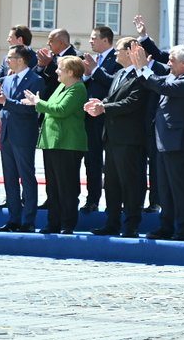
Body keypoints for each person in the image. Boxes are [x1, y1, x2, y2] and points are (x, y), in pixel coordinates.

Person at [130, 43, 184, 241]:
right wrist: (140, 68)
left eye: (172, 60)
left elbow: (162, 85)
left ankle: (183, 229)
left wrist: (143, 68)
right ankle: (166, 226)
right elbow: (152, 82)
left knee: (179, 188)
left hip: (180, 143)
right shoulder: (176, 76)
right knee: (165, 188)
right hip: (165, 141)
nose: (168, 63)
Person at [82, 37, 149, 237]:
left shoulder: (141, 75)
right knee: (111, 183)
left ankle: (130, 225)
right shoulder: (119, 73)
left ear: (130, 51)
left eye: (119, 50)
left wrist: (104, 107)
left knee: (131, 183)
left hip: (130, 139)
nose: (115, 53)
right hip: (112, 138)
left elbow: (132, 102)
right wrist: (99, 102)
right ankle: (112, 223)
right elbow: (113, 98)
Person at [22, 55, 88, 234]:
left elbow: (60, 110)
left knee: (67, 186)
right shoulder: (62, 86)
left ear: (71, 72)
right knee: (53, 187)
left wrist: (38, 103)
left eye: (60, 68)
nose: (57, 71)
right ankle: (53, 223)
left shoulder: (78, 88)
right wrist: (36, 103)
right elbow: (50, 105)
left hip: (68, 144)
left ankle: (67, 224)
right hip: (52, 142)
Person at [0, 45, 44, 231]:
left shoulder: (36, 80)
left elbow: (32, 108)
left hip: (24, 135)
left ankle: (28, 221)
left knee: (26, 177)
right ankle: (13, 219)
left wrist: (6, 101)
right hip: (7, 135)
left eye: (10, 57)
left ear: (21, 60)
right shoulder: (7, 79)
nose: (7, 60)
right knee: (9, 178)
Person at [80, 26, 119, 213]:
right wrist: (87, 75)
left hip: (110, 117)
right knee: (92, 160)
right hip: (91, 119)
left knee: (112, 163)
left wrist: (95, 70)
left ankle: (115, 203)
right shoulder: (95, 60)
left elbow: (115, 83)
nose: (91, 41)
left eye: (94, 37)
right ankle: (92, 199)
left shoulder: (117, 58)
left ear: (106, 40)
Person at [35, 29, 78, 100]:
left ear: (61, 43)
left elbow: (68, 78)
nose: (48, 43)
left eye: (51, 40)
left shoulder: (76, 56)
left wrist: (49, 63)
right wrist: (40, 65)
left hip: (62, 100)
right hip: (46, 101)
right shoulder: (52, 55)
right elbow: (40, 78)